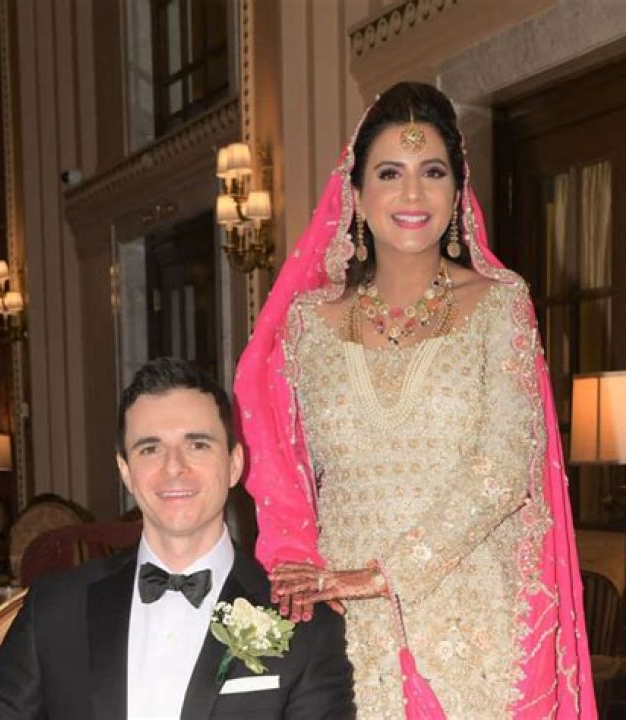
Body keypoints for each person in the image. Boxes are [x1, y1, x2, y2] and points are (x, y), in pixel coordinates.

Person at [234, 82, 596, 718]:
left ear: (457, 192)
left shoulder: (499, 305)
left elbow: (504, 467)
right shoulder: (307, 324)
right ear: (355, 194)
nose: (412, 194)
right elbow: (275, 460)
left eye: (432, 172)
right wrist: (297, 565)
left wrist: (383, 575)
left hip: (471, 632)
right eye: (389, 173)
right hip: (342, 629)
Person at [0, 357, 355, 720]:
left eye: (197, 444)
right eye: (150, 449)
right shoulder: (55, 608)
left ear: (235, 463)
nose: (173, 467)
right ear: (126, 471)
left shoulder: (305, 622)